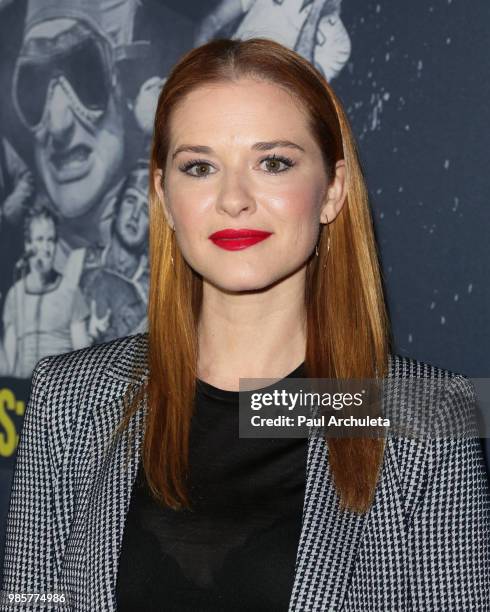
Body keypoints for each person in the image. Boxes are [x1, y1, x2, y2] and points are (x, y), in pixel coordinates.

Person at [1, 37, 489, 611]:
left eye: (273, 162)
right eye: (200, 166)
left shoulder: (422, 421)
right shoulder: (71, 402)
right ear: (162, 193)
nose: (233, 198)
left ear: (331, 190)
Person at [1, 206, 109, 378]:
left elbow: (83, 360)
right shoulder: (15, 295)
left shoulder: (70, 292)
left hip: (58, 392)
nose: (46, 247)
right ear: (28, 245)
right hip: (21, 395)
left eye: (50, 240)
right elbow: (7, 367)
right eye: (40, 239)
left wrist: (93, 337)